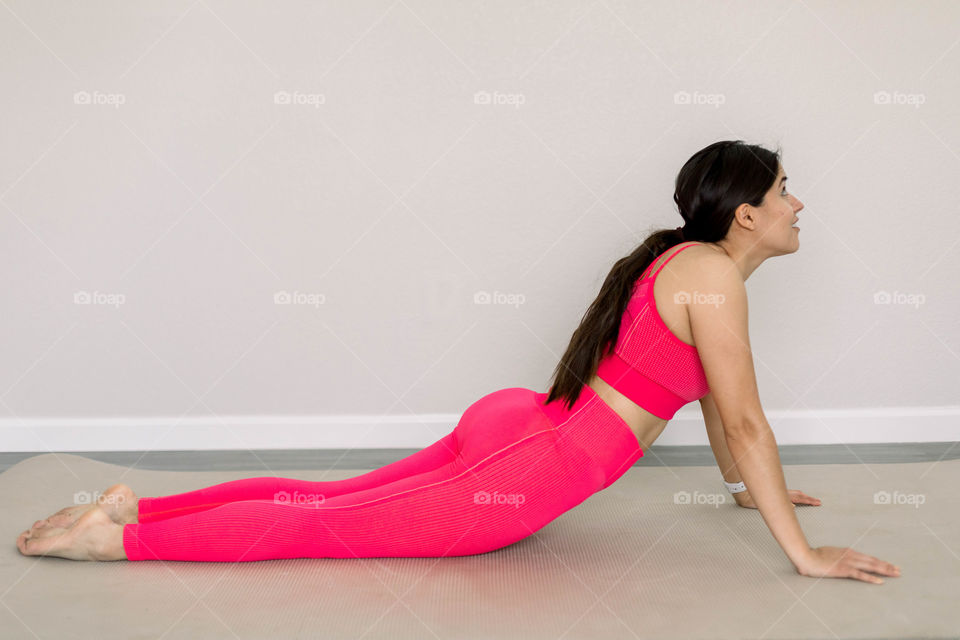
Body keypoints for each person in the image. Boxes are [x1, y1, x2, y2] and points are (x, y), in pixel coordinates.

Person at [16, 140, 901, 585]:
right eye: (783, 189)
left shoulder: (688, 264)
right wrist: (807, 555)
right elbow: (745, 417)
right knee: (326, 528)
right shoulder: (712, 275)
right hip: (524, 469)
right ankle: (120, 540)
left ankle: (135, 503)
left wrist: (751, 493)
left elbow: (716, 406)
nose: (796, 203)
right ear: (743, 213)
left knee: (330, 497)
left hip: (521, 426)